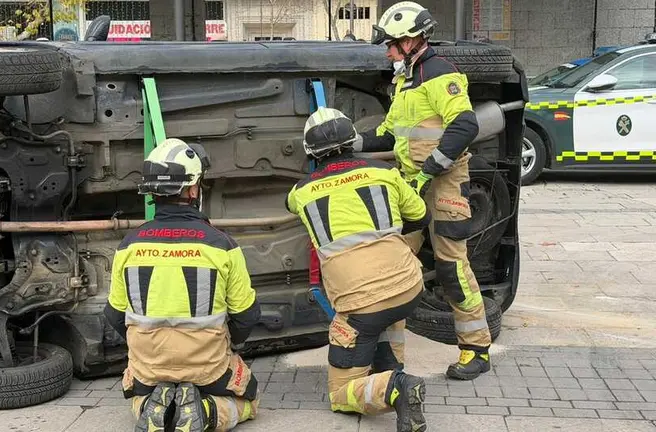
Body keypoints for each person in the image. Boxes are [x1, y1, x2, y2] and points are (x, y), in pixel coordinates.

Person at [353, 1, 491, 381]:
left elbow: (464, 126)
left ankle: (477, 349)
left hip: (444, 182)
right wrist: (350, 142)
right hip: (411, 181)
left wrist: (429, 172)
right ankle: (390, 360)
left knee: (451, 267)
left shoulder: (439, 74)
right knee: (395, 266)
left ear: (412, 40)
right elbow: (388, 133)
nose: (387, 51)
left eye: (391, 44)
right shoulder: (405, 82)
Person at [286, 106, 431, 432]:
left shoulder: (301, 192)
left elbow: (290, 204)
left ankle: (395, 388)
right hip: (409, 288)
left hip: (359, 304)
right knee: (388, 302)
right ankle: (392, 369)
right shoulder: (386, 174)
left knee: (340, 394)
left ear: (310, 151)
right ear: (353, 141)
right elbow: (421, 216)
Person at [104, 138, 262, 432]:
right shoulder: (221, 245)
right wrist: (230, 345)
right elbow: (247, 314)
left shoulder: (128, 246)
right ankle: (204, 410)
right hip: (207, 364)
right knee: (251, 400)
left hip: (150, 366)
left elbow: (113, 314)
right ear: (193, 190)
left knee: (140, 399)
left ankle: (155, 408)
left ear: (153, 192)